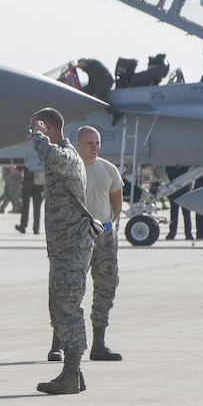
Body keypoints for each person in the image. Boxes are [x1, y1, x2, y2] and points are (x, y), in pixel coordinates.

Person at [27, 107, 96, 395]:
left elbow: (53, 156)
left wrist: (37, 135)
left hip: (71, 247)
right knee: (60, 306)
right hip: (63, 247)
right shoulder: (64, 157)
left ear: (47, 127)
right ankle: (74, 374)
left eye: (37, 128)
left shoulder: (67, 155)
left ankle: (70, 373)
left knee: (67, 308)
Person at [74, 125, 124, 363]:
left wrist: (106, 227)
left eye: (97, 143)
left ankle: (99, 343)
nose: (94, 148)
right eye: (89, 143)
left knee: (106, 287)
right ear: (79, 145)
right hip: (76, 237)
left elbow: (116, 205)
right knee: (69, 290)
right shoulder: (71, 168)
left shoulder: (108, 169)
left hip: (104, 237)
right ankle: (60, 343)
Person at [18, 154, 44, 234]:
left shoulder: (27, 155)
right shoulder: (42, 154)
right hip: (39, 183)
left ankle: (23, 226)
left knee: (25, 205)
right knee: (37, 208)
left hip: (28, 182)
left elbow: (19, 168)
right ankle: (36, 228)